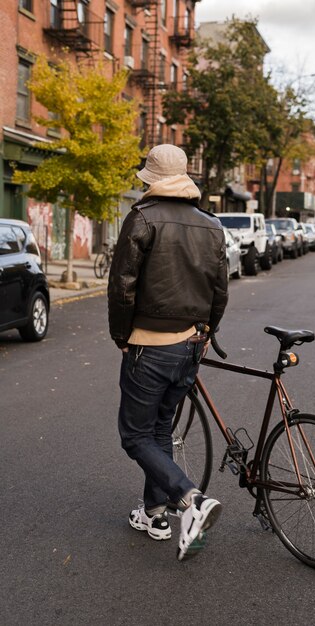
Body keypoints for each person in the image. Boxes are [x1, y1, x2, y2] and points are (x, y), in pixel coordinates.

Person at [108, 144, 228, 561]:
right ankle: (156, 515)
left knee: (135, 436)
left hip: (149, 345)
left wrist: (122, 336)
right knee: (160, 431)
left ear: (153, 180)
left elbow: (122, 285)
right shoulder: (212, 225)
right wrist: (207, 330)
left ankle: (189, 498)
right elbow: (219, 289)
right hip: (190, 346)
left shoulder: (141, 218)